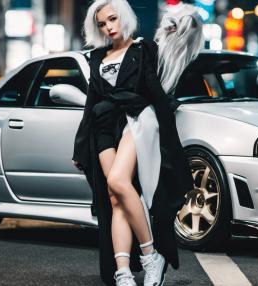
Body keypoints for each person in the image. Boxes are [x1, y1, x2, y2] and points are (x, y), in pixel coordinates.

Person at [72, 1, 203, 285]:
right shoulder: (96, 57)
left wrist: (177, 26)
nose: (108, 27)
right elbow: (91, 103)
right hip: (103, 127)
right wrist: (80, 146)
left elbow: (160, 84)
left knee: (119, 181)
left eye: (112, 19)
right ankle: (123, 272)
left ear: (125, 17)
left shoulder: (143, 49)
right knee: (114, 196)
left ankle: (150, 255)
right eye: (102, 24)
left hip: (135, 120)